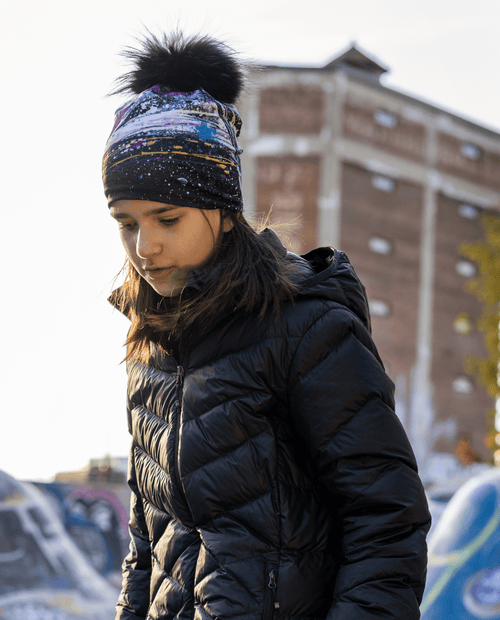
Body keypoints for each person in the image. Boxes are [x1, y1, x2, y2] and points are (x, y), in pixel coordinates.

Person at [103, 32, 430, 620]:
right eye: (126, 223)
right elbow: (145, 543)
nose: (144, 246)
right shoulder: (148, 347)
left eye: (167, 218)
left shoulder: (307, 328)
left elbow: (387, 519)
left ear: (225, 212)